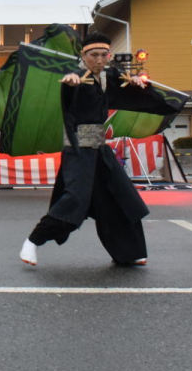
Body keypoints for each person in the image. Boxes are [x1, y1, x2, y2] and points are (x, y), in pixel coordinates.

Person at [20, 32, 181, 267]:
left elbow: (130, 90)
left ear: (109, 56)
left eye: (103, 55)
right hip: (78, 148)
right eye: (93, 55)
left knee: (121, 196)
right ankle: (32, 241)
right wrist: (71, 83)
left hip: (99, 149)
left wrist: (138, 83)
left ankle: (129, 252)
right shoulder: (76, 76)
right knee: (75, 199)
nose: (98, 60)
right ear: (83, 56)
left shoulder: (109, 76)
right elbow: (69, 91)